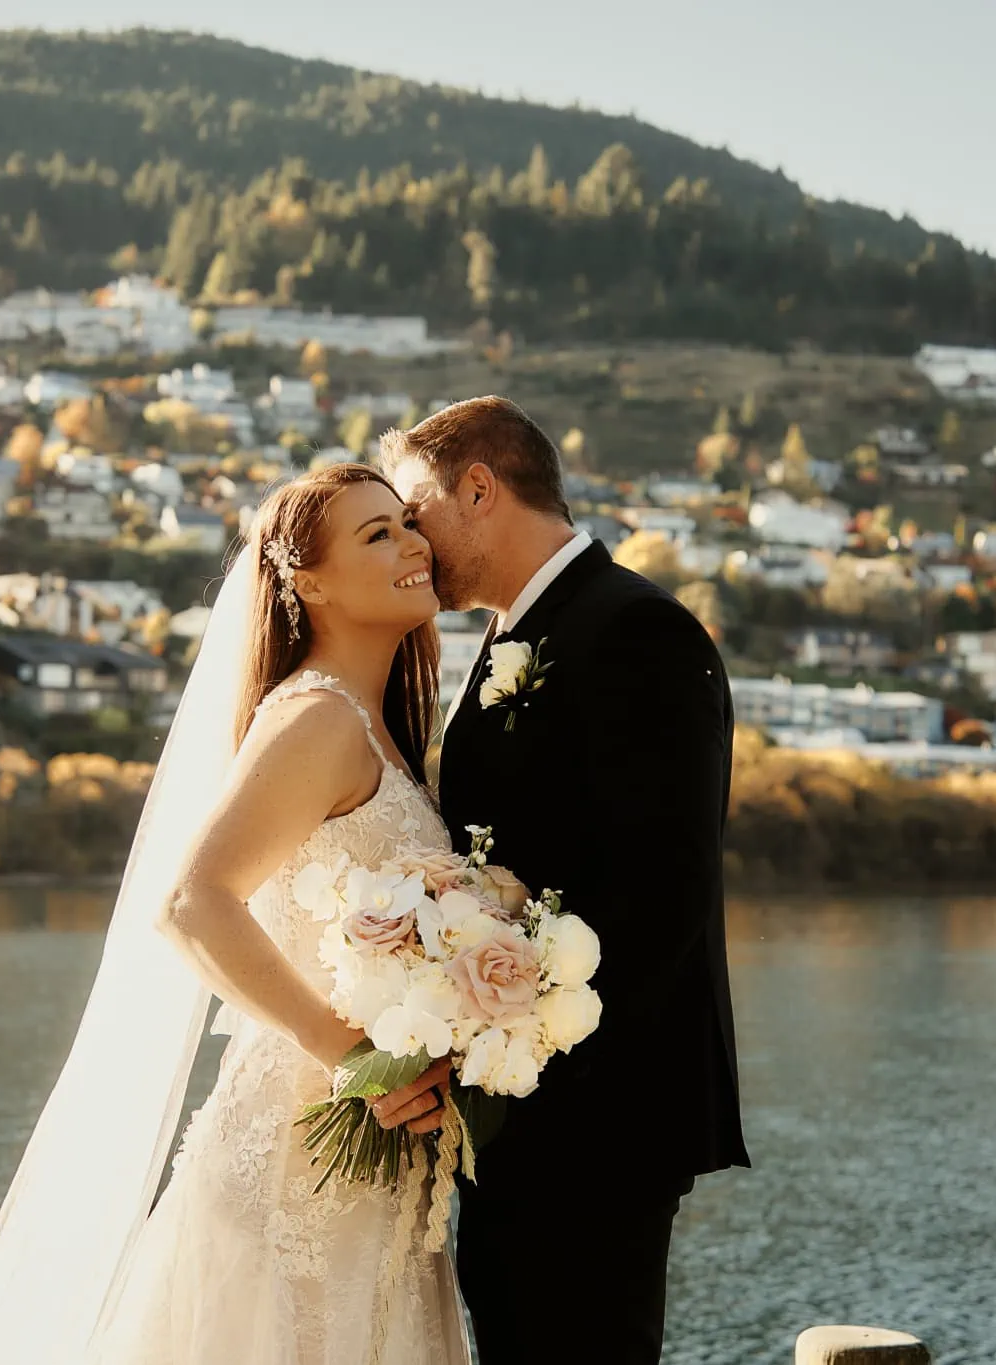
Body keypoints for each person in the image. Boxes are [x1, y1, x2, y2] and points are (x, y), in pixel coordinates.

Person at [0, 463, 472, 1365]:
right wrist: (352, 1056)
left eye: (407, 524)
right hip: (298, 1164)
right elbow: (192, 903)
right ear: (309, 582)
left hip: (376, 1175)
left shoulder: (377, 727)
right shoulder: (317, 718)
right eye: (376, 534)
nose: (412, 544)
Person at [384, 396, 750, 1365]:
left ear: (478, 488)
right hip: (510, 1114)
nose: (410, 540)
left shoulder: (641, 631)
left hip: (602, 1120)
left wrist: (516, 1040)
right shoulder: (507, 635)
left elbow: (662, 896)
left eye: (415, 512)